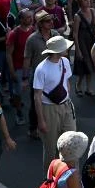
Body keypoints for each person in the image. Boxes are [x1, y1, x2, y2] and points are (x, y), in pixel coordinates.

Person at [33, 35, 77, 170]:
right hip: (49, 109)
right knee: (51, 148)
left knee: (71, 143)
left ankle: (72, 175)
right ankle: (50, 181)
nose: (67, 49)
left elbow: (67, 83)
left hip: (66, 106)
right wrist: (41, 120)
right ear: (58, 51)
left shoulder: (64, 61)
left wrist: (68, 101)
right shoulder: (41, 69)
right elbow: (37, 96)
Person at [23, 10, 60, 140]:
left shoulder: (55, 35)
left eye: (51, 20)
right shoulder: (32, 39)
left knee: (56, 98)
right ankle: (33, 127)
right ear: (40, 24)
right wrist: (25, 78)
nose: (51, 23)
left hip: (55, 73)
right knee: (36, 102)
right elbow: (27, 59)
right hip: (38, 76)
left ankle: (55, 123)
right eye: (47, 21)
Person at [70, 0, 95, 97]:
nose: (87, 1)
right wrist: (77, 50)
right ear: (80, 2)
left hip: (91, 40)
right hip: (82, 42)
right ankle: (78, 85)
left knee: (91, 64)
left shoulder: (92, 11)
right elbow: (75, 34)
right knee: (84, 64)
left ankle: (88, 88)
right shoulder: (77, 16)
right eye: (84, 0)